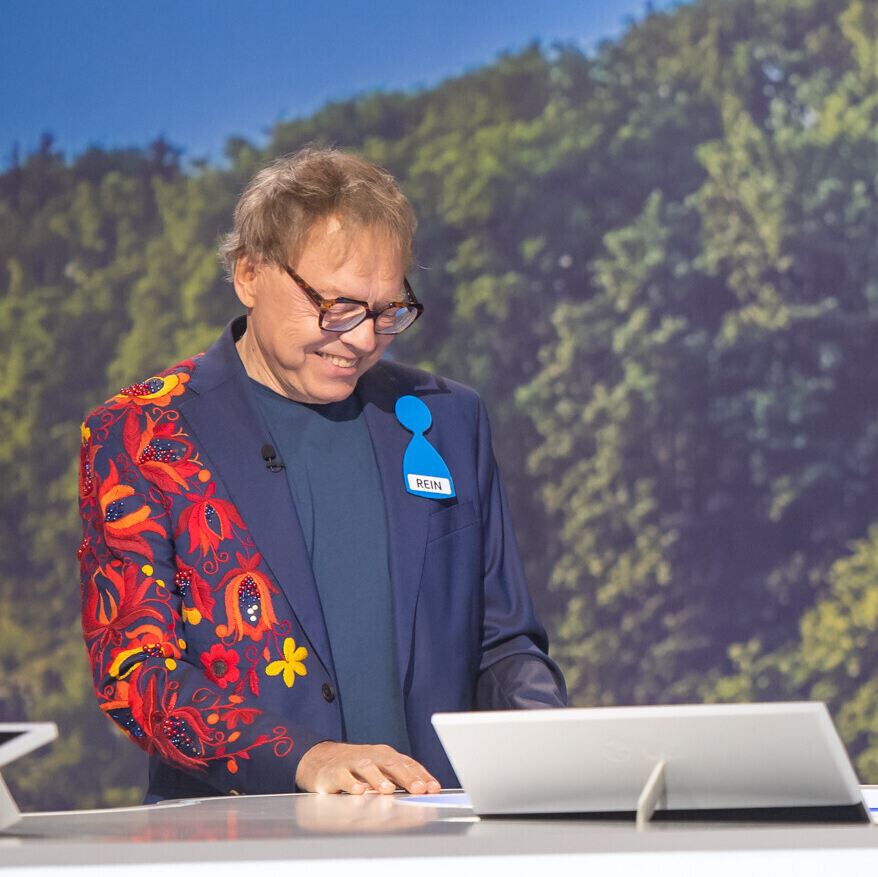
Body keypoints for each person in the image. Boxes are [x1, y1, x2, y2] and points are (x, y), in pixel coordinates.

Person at [79, 147, 565, 800]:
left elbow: (503, 646)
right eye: (336, 307)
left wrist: (553, 742)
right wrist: (304, 760)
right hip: (238, 844)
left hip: (435, 834)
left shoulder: (449, 419)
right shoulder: (141, 433)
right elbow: (136, 674)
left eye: (387, 311)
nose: (362, 339)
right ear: (250, 274)